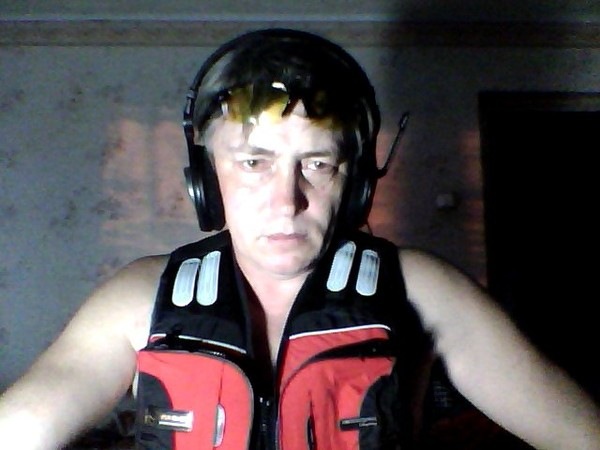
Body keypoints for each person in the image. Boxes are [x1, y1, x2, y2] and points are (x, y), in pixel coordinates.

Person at [0, 28, 598, 450]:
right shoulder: (138, 298)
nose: (287, 200)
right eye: (254, 163)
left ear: (355, 185)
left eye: (317, 164)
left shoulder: (422, 290)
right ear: (206, 178)